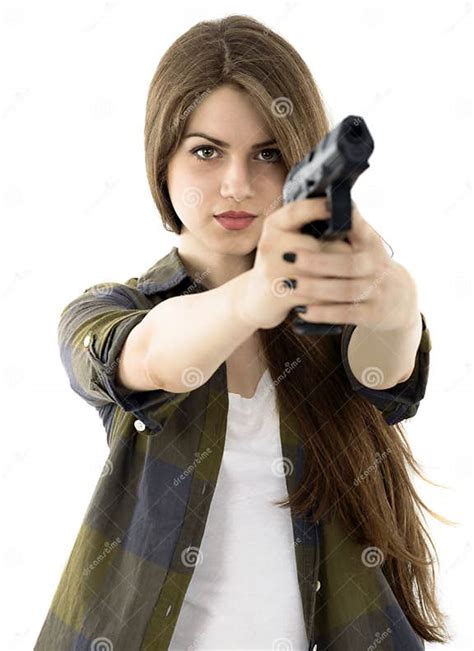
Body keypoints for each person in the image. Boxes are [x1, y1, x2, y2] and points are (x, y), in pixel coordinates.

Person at [34, 14, 453, 651]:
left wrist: (395, 305)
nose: (237, 185)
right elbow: (153, 356)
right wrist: (257, 295)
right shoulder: (111, 308)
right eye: (206, 151)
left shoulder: (331, 312)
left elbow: (388, 374)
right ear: (163, 161)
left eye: (268, 154)